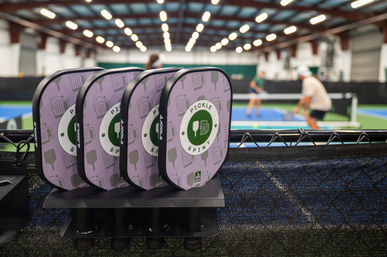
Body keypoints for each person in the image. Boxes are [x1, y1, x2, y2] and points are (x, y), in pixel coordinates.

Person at [293, 65, 332, 129]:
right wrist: (298, 107)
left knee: (310, 120)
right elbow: (304, 97)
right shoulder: (309, 80)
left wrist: (305, 110)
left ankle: (320, 137)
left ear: (300, 75)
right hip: (322, 105)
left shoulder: (308, 81)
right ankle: (320, 136)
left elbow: (309, 97)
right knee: (312, 122)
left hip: (321, 106)